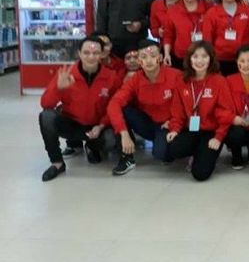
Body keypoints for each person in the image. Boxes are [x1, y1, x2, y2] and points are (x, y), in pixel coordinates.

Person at [39, 37, 120, 181]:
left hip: (96, 127)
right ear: (79, 53)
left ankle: (92, 147)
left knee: (111, 140)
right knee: (46, 117)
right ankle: (57, 163)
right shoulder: (66, 74)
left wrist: (101, 126)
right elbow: (45, 104)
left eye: (96, 53)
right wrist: (58, 89)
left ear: (102, 54)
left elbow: (114, 107)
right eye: (86, 52)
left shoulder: (111, 77)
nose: (91, 57)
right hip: (71, 124)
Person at [107, 39, 181, 175]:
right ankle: (127, 158)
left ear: (160, 58)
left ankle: (166, 147)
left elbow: (187, 104)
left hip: (168, 124)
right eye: (144, 57)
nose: (149, 61)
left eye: (153, 56)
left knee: (161, 154)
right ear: (139, 61)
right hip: (148, 123)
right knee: (122, 109)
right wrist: (123, 133)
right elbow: (114, 103)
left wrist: (175, 122)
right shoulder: (135, 79)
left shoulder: (176, 76)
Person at [166, 41, 234, 182]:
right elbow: (177, 110)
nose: (200, 61)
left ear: (211, 59)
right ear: (189, 59)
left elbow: (226, 112)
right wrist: (175, 129)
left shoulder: (219, 81)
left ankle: (205, 154)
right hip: (191, 128)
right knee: (174, 148)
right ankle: (198, 153)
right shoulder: (182, 80)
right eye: (195, 56)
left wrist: (218, 137)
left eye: (204, 56)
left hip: (211, 131)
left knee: (200, 174)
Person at [202, 0, 249, 76]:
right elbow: (207, 39)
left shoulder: (247, 11)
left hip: (244, 59)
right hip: (220, 60)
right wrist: (210, 59)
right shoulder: (211, 13)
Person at [163, 0, 211, 70]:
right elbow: (168, 35)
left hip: (205, 57)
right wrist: (167, 54)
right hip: (182, 57)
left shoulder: (208, 7)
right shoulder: (173, 11)